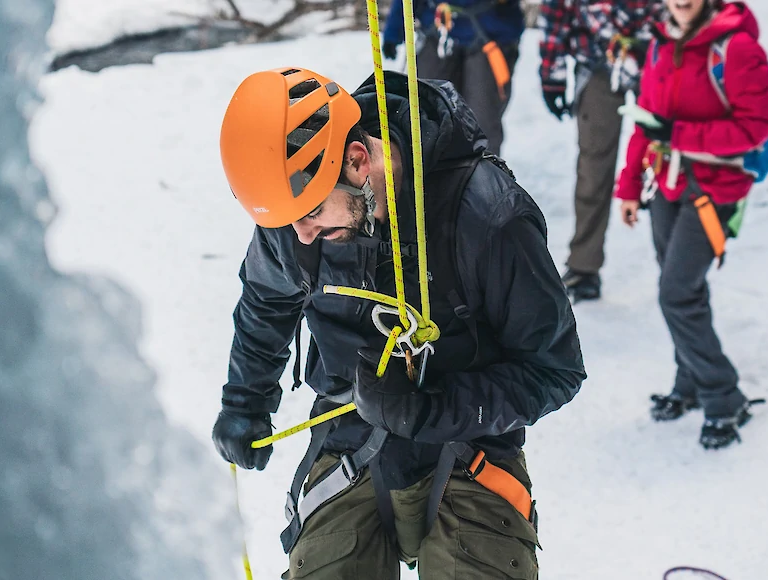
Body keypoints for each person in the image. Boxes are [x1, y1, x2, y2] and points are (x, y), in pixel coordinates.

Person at [212, 66, 585, 578]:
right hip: (349, 436)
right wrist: (245, 400)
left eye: (314, 214)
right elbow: (266, 300)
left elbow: (554, 370)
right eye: (286, 222)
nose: (301, 236)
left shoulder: (489, 216)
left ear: (359, 161)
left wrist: (430, 411)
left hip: (473, 444)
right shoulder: (295, 213)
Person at [615, 0, 768, 449]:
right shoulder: (661, 43)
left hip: (714, 189)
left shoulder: (737, 48)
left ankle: (723, 396)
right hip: (665, 185)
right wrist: (628, 187)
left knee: (677, 293)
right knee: (679, 287)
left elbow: (757, 127)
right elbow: (647, 121)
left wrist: (680, 135)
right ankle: (689, 381)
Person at [538, 0, 664, 302]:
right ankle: (584, 267)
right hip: (598, 61)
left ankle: (678, 268)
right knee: (593, 168)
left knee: (667, 160)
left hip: (661, 59)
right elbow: (556, 12)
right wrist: (552, 74)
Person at [381, 0, 526, 155]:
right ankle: (431, 174)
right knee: (426, 116)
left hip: (491, 33)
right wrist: (394, 28)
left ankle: (483, 174)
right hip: (438, 30)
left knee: (482, 122)